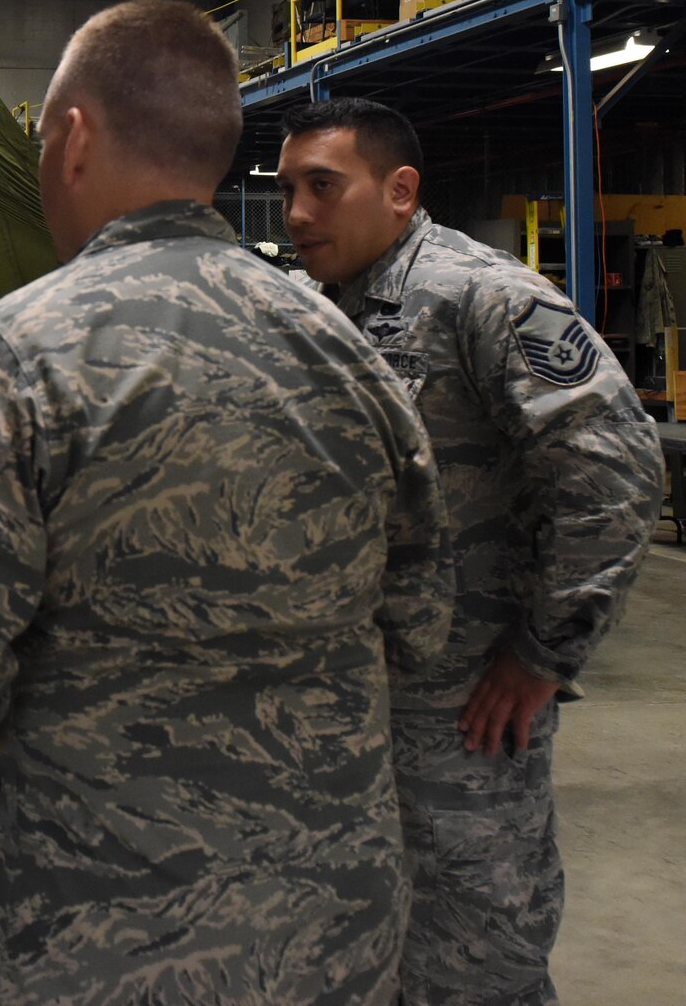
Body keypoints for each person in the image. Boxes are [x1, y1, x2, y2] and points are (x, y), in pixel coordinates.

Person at [0, 0, 456, 1006]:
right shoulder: (349, 352)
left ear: (73, 137)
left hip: (100, 941)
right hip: (333, 934)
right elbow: (421, 619)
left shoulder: (12, 359)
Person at [277, 97, 661, 1006]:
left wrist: (543, 653)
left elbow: (615, 474)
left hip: (462, 705)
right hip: (342, 702)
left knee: (473, 943)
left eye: (322, 187)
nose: (296, 213)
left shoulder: (483, 297)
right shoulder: (316, 308)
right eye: (288, 188)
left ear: (399, 189)